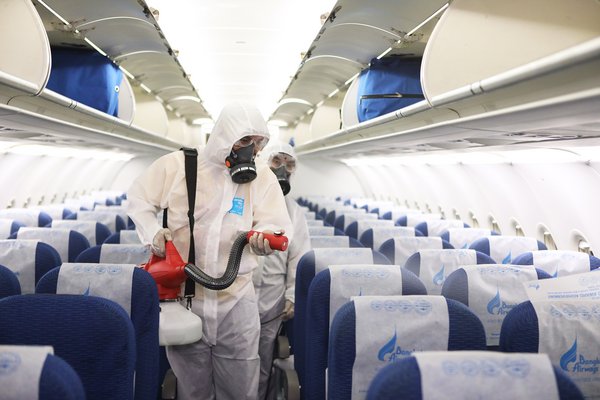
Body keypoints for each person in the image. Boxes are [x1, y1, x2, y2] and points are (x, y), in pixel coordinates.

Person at [127, 102, 293, 400]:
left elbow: (277, 224)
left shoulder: (263, 177)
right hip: (188, 298)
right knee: (193, 390)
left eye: (258, 143)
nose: (251, 151)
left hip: (238, 301)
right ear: (223, 136)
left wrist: (265, 238)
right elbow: (138, 199)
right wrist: (153, 234)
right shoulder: (179, 165)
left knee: (241, 389)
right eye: (244, 141)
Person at [253, 142, 311, 400]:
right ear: (263, 163)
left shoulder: (294, 211)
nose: (283, 170)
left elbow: (300, 257)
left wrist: (292, 295)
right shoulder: (245, 198)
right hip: (235, 298)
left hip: (272, 302)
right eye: (277, 161)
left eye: (289, 165)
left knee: (263, 364)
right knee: (233, 363)